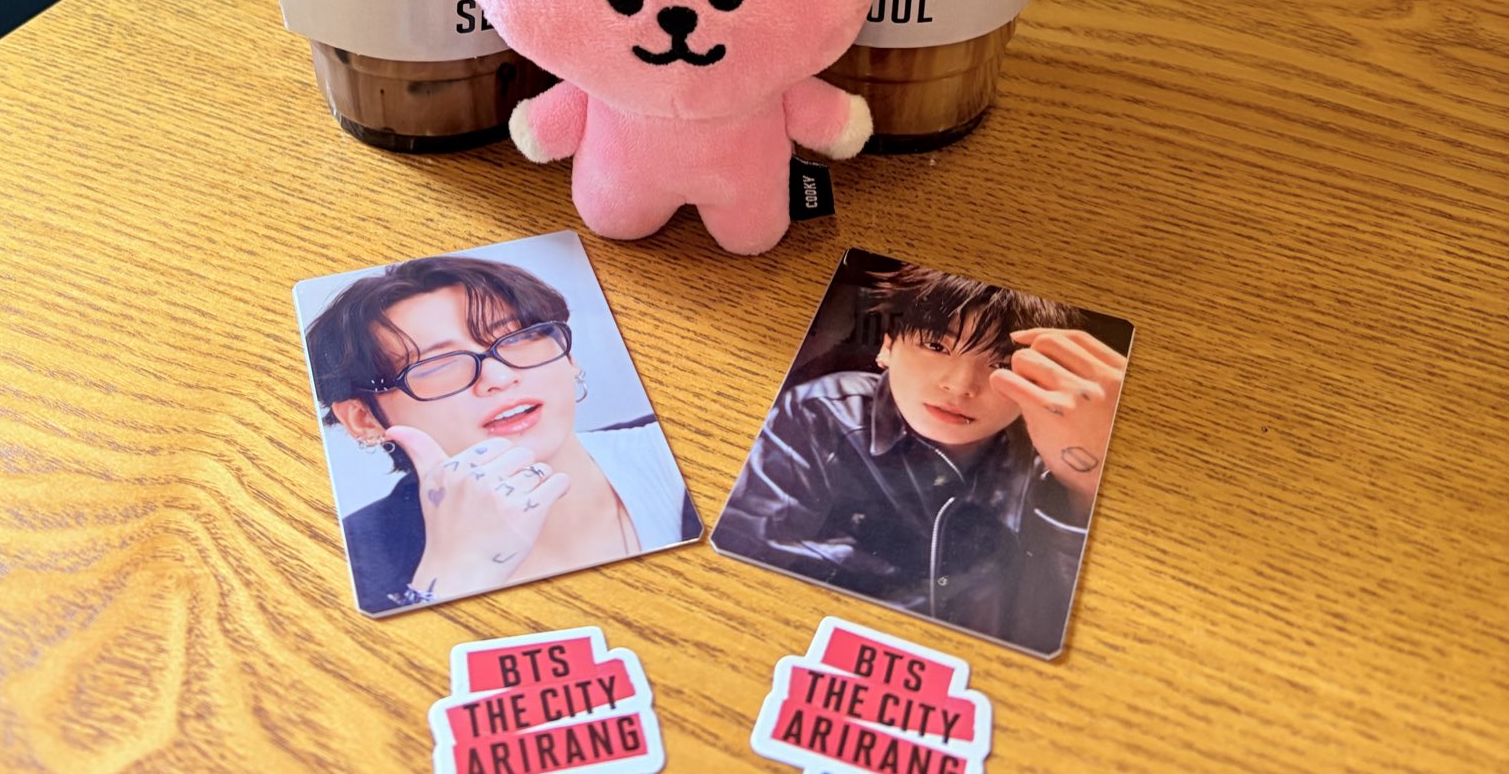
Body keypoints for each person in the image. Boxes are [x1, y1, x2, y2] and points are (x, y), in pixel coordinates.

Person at [713, 264, 1128, 655]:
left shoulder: (1053, 451)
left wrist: (1083, 482)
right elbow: (752, 570)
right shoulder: (820, 415)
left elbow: (1058, 622)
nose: (961, 385)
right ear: (887, 345)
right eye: (935, 345)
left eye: (1002, 363)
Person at [305, 254, 697, 613]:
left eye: (519, 338)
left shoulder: (679, 448)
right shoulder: (347, 558)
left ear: (569, 356)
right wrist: (453, 573)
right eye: (439, 364)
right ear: (363, 419)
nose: (499, 376)